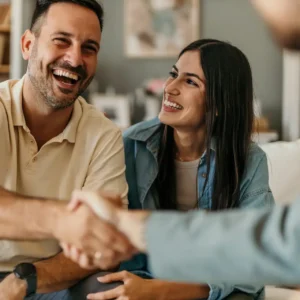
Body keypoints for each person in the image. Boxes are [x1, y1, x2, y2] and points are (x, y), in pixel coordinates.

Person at [62, 0, 300, 287]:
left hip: (213, 286)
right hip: (141, 278)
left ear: (220, 103)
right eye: (173, 74)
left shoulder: (249, 160)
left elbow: (255, 265)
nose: (170, 87)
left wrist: (168, 291)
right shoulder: (128, 145)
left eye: (190, 82)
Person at [0, 0, 134, 299]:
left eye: (89, 48)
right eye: (62, 41)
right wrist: (66, 221)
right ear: (27, 45)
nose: (75, 59)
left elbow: (104, 245)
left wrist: (24, 281)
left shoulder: (104, 136)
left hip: (49, 278)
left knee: (112, 288)